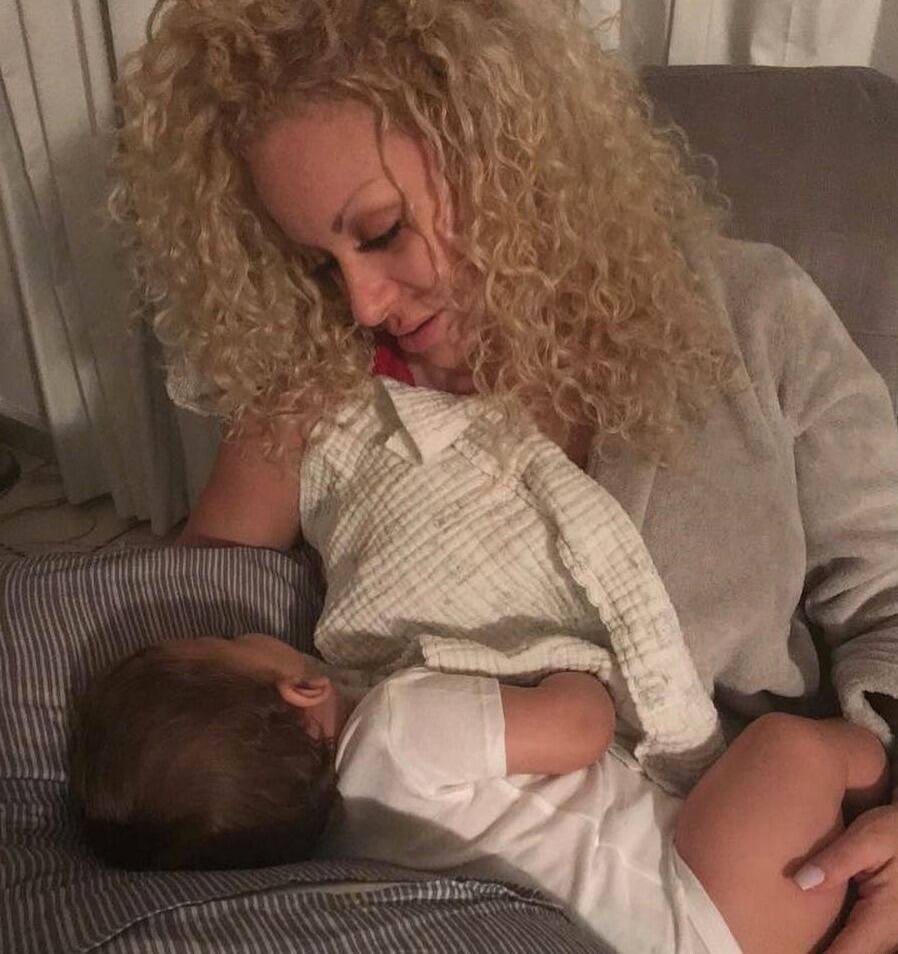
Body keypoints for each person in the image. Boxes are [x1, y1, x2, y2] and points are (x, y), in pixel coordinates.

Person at [113, 0, 898, 950]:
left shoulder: (753, 314)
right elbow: (188, 626)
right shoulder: (315, 396)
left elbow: (887, 597)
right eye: (316, 265)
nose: (363, 303)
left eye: (383, 231)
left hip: (791, 851)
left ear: (499, 151)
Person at [70, 632, 890, 954]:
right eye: (224, 639)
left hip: (700, 935)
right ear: (301, 689)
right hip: (712, 899)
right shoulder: (394, 725)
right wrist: (566, 669)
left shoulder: (344, 842)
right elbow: (579, 727)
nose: (239, 628)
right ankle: (875, 765)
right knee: (785, 744)